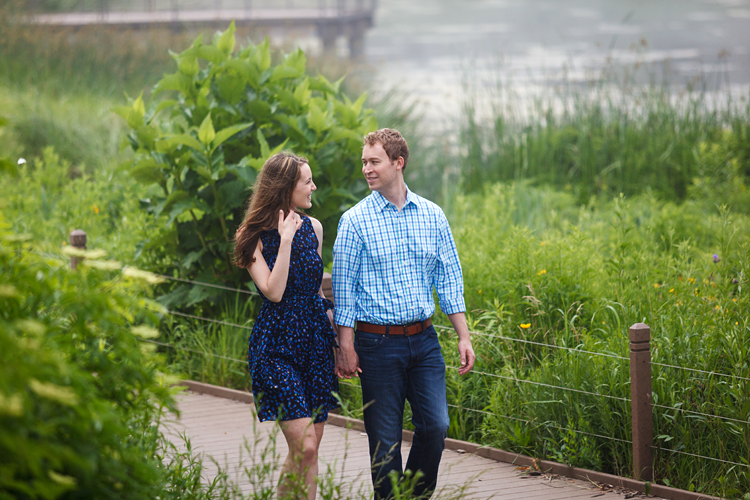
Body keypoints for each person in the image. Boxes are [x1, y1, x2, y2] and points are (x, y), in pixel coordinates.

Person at [332, 128, 476, 499]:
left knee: (436, 426)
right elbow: (344, 292)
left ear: (399, 163)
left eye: (374, 161)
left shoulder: (432, 215)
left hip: (424, 341)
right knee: (385, 442)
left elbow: (449, 279)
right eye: (364, 161)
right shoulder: (354, 222)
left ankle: (412, 495)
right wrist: (345, 346)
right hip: (376, 344)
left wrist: (463, 335)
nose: (367, 169)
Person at [234, 152, 339, 500]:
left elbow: (314, 293)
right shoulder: (251, 237)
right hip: (276, 350)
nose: (314, 187)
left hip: (315, 346)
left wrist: (339, 345)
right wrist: (286, 240)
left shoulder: (316, 228)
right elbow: (274, 292)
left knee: (305, 452)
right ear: (284, 188)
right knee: (306, 446)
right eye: (307, 181)